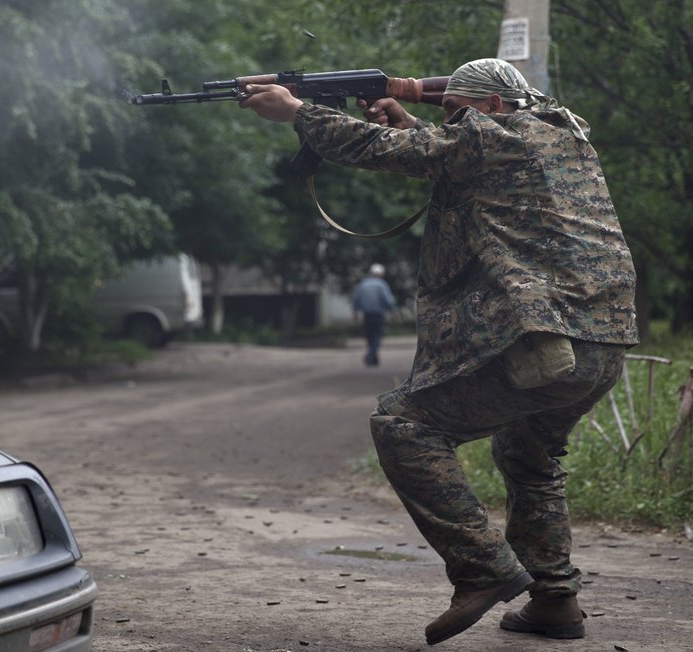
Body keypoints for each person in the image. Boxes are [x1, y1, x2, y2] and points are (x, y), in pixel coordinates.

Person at [240, 58, 638, 646]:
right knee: (530, 459)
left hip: (541, 338)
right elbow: (448, 156)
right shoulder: (560, 136)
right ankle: (555, 601)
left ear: (492, 108)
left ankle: (482, 569)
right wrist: (412, 121)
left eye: (458, 115)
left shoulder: (493, 133)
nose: (452, 126)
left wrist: (298, 111)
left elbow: (380, 146)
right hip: (603, 340)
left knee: (404, 426)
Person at [352, 263, 397, 366]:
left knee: (369, 336)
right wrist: (393, 311)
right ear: (380, 274)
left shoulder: (363, 284)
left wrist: (355, 312)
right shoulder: (381, 284)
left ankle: (373, 359)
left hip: (366, 315)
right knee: (377, 336)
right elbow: (388, 300)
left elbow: (356, 299)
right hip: (378, 314)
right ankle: (370, 355)